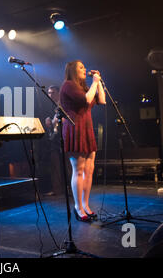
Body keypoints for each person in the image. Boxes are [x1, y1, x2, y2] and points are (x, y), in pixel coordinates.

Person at [59, 60, 106, 222]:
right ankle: (78, 207)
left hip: (87, 129)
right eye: (81, 67)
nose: (85, 69)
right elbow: (86, 100)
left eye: (85, 66)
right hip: (75, 129)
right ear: (72, 70)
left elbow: (102, 100)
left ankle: (85, 205)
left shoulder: (83, 87)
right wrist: (94, 82)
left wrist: (98, 83)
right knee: (78, 170)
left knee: (89, 170)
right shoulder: (68, 85)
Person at [43, 85, 64, 195]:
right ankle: (57, 189)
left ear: (58, 92)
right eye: (49, 93)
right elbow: (55, 122)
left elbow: (64, 119)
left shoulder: (63, 103)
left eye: (52, 93)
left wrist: (53, 121)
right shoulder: (54, 105)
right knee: (55, 164)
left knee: (65, 165)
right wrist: (49, 121)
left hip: (63, 138)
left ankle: (62, 189)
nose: (50, 95)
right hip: (56, 138)